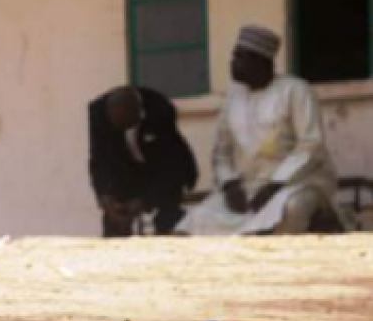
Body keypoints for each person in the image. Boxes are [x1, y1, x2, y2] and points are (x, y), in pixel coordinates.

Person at [176, 24, 340, 236]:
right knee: (198, 218)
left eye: (240, 57)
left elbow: (311, 144)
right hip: (247, 187)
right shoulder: (233, 98)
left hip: (300, 183)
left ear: (261, 61)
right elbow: (222, 152)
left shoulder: (295, 90)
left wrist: (275, 184)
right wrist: (229, 184)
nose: (232, 63)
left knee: (291, 209)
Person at [88, 85, 198, 237]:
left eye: (124, 123)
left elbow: (170, 165)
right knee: (114, 216)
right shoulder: (97, 115)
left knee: (168, 214)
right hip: (127, 167)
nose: (120, 129)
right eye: (115, 124)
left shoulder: (160, 110)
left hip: (165, 168)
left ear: (137, 111)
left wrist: (145, 200)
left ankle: (171, 247)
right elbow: (99, 160)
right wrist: (104, 196)